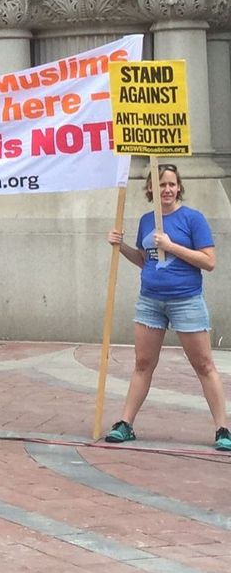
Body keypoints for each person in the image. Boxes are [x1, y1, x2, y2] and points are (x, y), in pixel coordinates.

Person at [105, 164, 231, 451]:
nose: (167, 190)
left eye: (172, 184)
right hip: (150, 302)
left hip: (186, 300)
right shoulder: (147, 221)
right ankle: (125, 423)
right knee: (143, 364)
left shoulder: (192, 219)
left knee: (203, 364)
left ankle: (222, 428)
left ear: (179, 188)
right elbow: (145, 259)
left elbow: (209, 262)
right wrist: (120, 246)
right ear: (151, 189)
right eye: (161, 185)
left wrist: (172, 246)